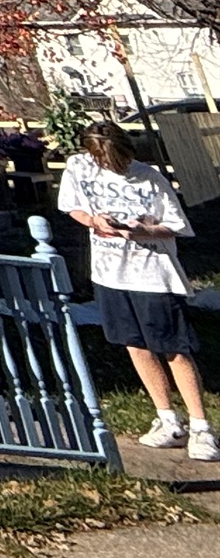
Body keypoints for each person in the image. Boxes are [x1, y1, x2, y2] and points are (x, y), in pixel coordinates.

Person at [59, 119, 211, 458]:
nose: (115, 168)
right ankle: (168, 420)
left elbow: (177, 227)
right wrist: (94, 221)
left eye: (120, 162)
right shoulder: (78, 167)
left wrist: (143, 230)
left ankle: (202, 427)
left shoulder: (151, 178)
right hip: (110, 274)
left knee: (174, 348)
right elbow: (73, 207)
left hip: (153, 276)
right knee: (135, 346)